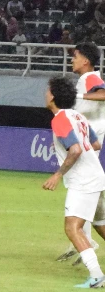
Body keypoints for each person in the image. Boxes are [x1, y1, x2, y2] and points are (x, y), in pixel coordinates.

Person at [42, 76, 105, 289]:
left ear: (54, 97)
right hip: (97, 175)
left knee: (72, 228)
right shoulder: (77, 116)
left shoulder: (59, 119)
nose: (45, 94)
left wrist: (57, 174)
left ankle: (96, 276)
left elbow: (76, 150)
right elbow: (95, 144)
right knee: (100, 224)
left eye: (48, 91)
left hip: (84, 181)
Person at [57, 43, 105, 264]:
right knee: (96, 212)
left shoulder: (89, 79)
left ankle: (84, 244)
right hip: (91, 151)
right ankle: (82, 243)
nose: (72, 60)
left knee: (87, 203)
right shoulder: (85, 80)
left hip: (88, 155)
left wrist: (81, 97)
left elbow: (103, 93)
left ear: (86, 60)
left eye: (75, 56)